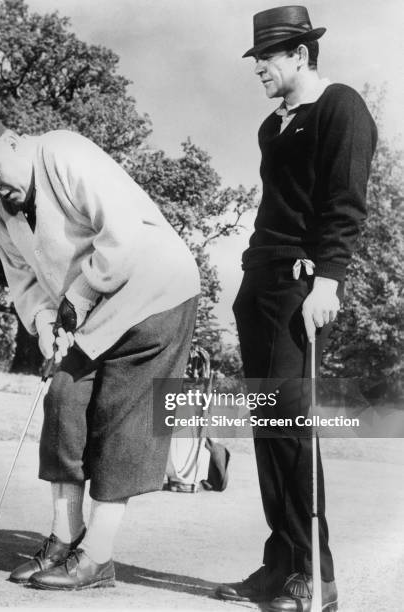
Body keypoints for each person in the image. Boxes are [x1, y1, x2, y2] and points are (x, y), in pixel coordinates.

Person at [0, 114, 200, 591]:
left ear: (16, 143)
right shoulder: (0, 208)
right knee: (62, 397)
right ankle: (64, 540)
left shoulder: (64, 151)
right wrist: (46, 325)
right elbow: (22, 277)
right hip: (96, 307)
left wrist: (77, 300)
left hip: (156, 289)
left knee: (121, 415)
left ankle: (98, 557)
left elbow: (121, 234)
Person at [216, 6, 377, 612]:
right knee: (267, 428)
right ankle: (279, 562)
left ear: (300, 55)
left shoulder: (341, 108)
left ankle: (316, 573)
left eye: (267, 58)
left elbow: (345, 202)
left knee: (290, 424)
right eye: (257, 58)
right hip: (258, 284)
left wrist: (329, 280)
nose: (258, 68)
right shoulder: (271, 127)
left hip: (301, 285)